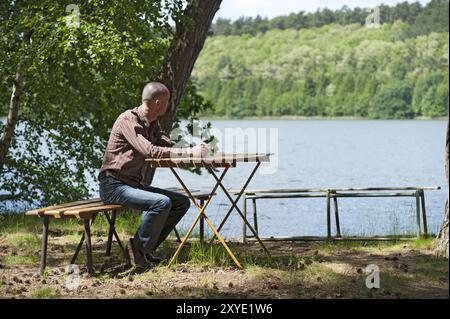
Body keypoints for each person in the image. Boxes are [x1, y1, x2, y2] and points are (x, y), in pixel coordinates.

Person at [98, 82, 209, 268]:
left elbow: (166, 145)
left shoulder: (152, 123)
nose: (169, 106)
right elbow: (149, 150)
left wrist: (196, 150)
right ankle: (137, 249)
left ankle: (144, 250)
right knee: (161, 202)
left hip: (132, 185)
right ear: (158, 103)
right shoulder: (128, 120)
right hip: (113, 185)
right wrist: (189, 152)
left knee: (181, 203)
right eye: (167, 102)